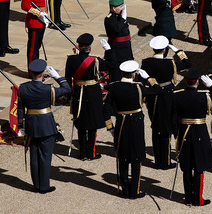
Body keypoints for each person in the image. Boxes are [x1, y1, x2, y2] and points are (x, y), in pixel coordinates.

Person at [103, 60, 162, 198]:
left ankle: (125, 190)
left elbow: (105, 108)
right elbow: (158, 90)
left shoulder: (113, 87)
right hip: (135, 124)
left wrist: (110, 127)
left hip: (121, 123)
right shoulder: (139, 87)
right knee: (136, 158)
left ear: (122, 73)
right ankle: (134, 190)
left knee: (123, 157)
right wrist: (149, 78)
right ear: (134, 75)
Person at [172, 69, 212, 206]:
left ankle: (188, 199)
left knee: (186, 168)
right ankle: (198, 199)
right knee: (198, 167)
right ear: (197, 82)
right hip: (199, 133)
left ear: (186, 81)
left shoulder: (177, 96)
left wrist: (176, 132)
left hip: (184, 132)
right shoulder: (204, 97)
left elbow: (172, 116)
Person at [17, 59, 71, 193]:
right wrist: (57, 77)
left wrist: (20, 125)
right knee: (45, 157)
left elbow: (20, 109)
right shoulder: (48, 89)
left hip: (31, 125)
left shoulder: (23, 87)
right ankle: (44, 186)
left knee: (34, 156)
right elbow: (67, 89)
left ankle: (36, 184)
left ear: (31, 72)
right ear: (43, 73)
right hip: (46, 125)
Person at [140, 36, 191, 169]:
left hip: (153, 97)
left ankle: (158, 161)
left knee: (156, 126)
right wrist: (178, 51)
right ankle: (166, 161)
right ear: (164, 50)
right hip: (167, 96)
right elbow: (187, 63)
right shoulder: (170, 63)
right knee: (167, 126)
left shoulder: (146, 62)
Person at [64, 33, 111, 161]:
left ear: (78, 47)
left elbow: (68, 78)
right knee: (92, 125)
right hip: (93, 93)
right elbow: (111, 65)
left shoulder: (71, 59)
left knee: (81, 123)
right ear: (89, 48)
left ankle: (82, 153)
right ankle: (91, 153)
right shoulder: (95, 60)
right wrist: (108, 51)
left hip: (78, 92)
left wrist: (70, 94)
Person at [104, 0, 134, 70]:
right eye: (120, 7)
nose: (123, 9)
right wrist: (123, 18)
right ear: (114, 8)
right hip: (118, 49)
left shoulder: (119, 17)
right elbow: (117, 29)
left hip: (125, 47)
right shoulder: (109, 19)